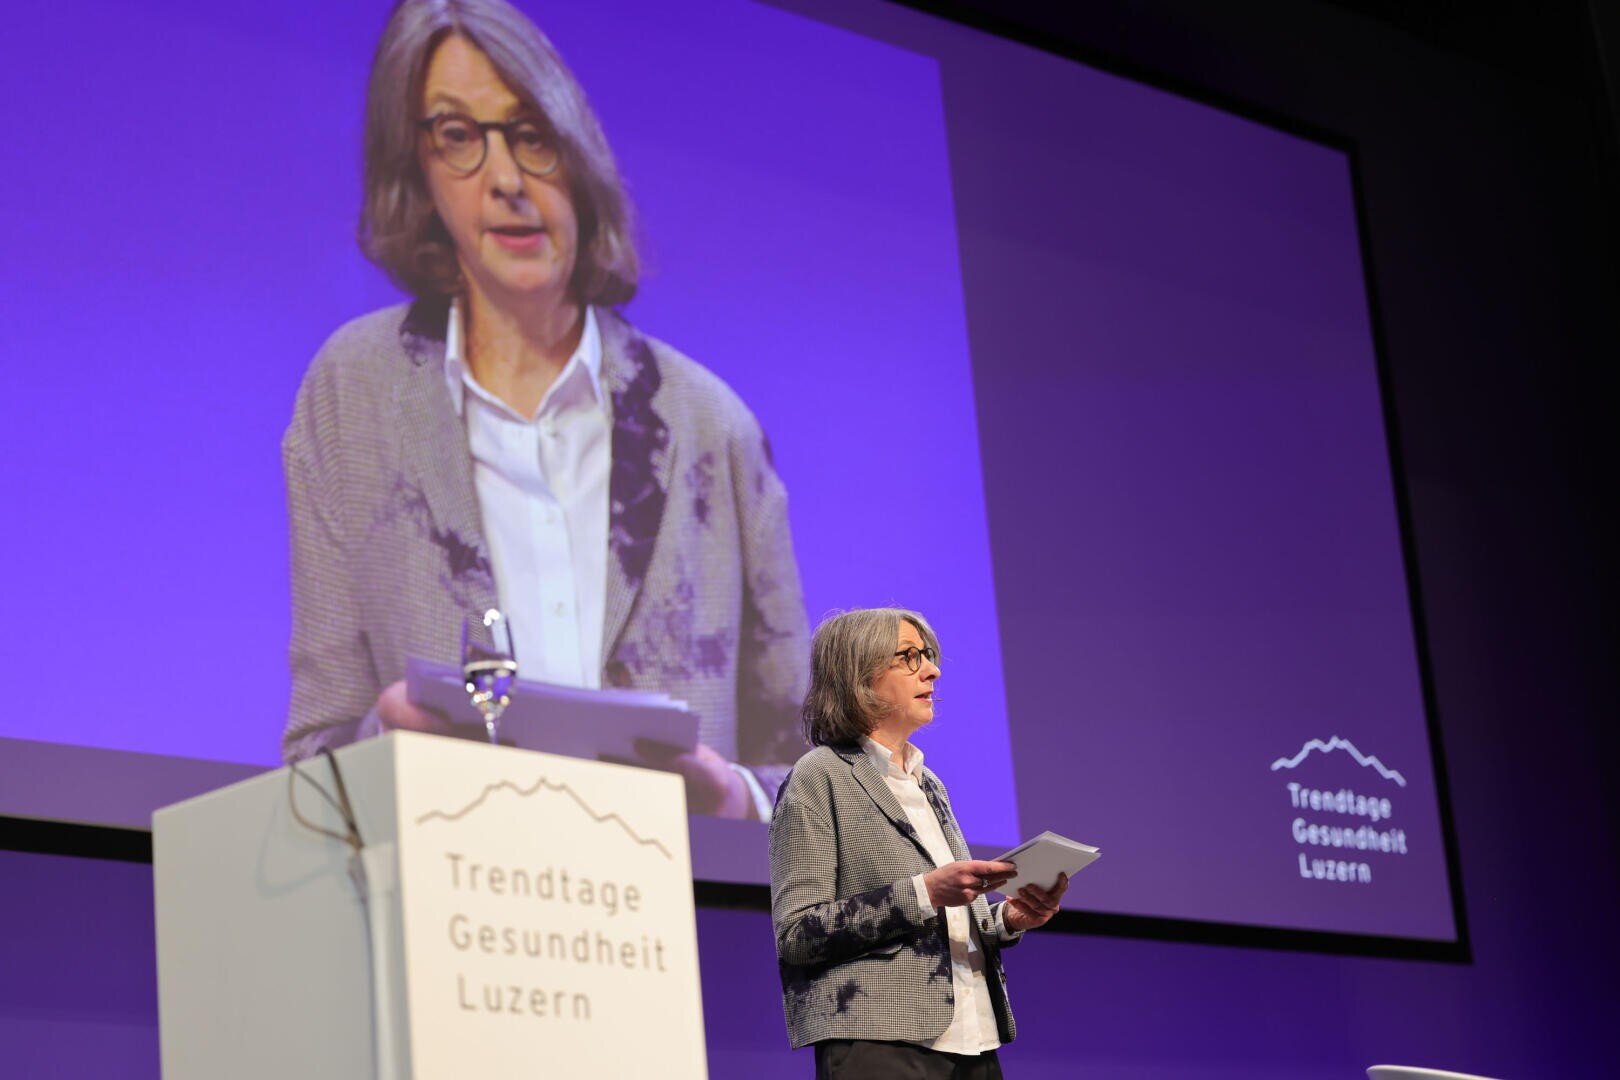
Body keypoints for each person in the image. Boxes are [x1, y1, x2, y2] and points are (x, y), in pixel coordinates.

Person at [279, 0, 808, 818]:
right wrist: (380, 746)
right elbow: (315, 755)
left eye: (530, 135)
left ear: (578, 153)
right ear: (414, 166)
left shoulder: (711, 424)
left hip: (679, 918)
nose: (505, 180)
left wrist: (733, 800)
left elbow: (814, 784)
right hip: (456, 910)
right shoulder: (355, 394)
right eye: (457, 137)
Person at [769, 608, 1069, 1077]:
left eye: (927, 655)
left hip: (975, 1040)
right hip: (880, 1040)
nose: (932, 669)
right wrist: (926, 891)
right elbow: (798, 935)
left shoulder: (929, 783)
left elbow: (946, 919)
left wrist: (1009, 919)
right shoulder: (819, 776)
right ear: (858, 675)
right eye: (908, 657)